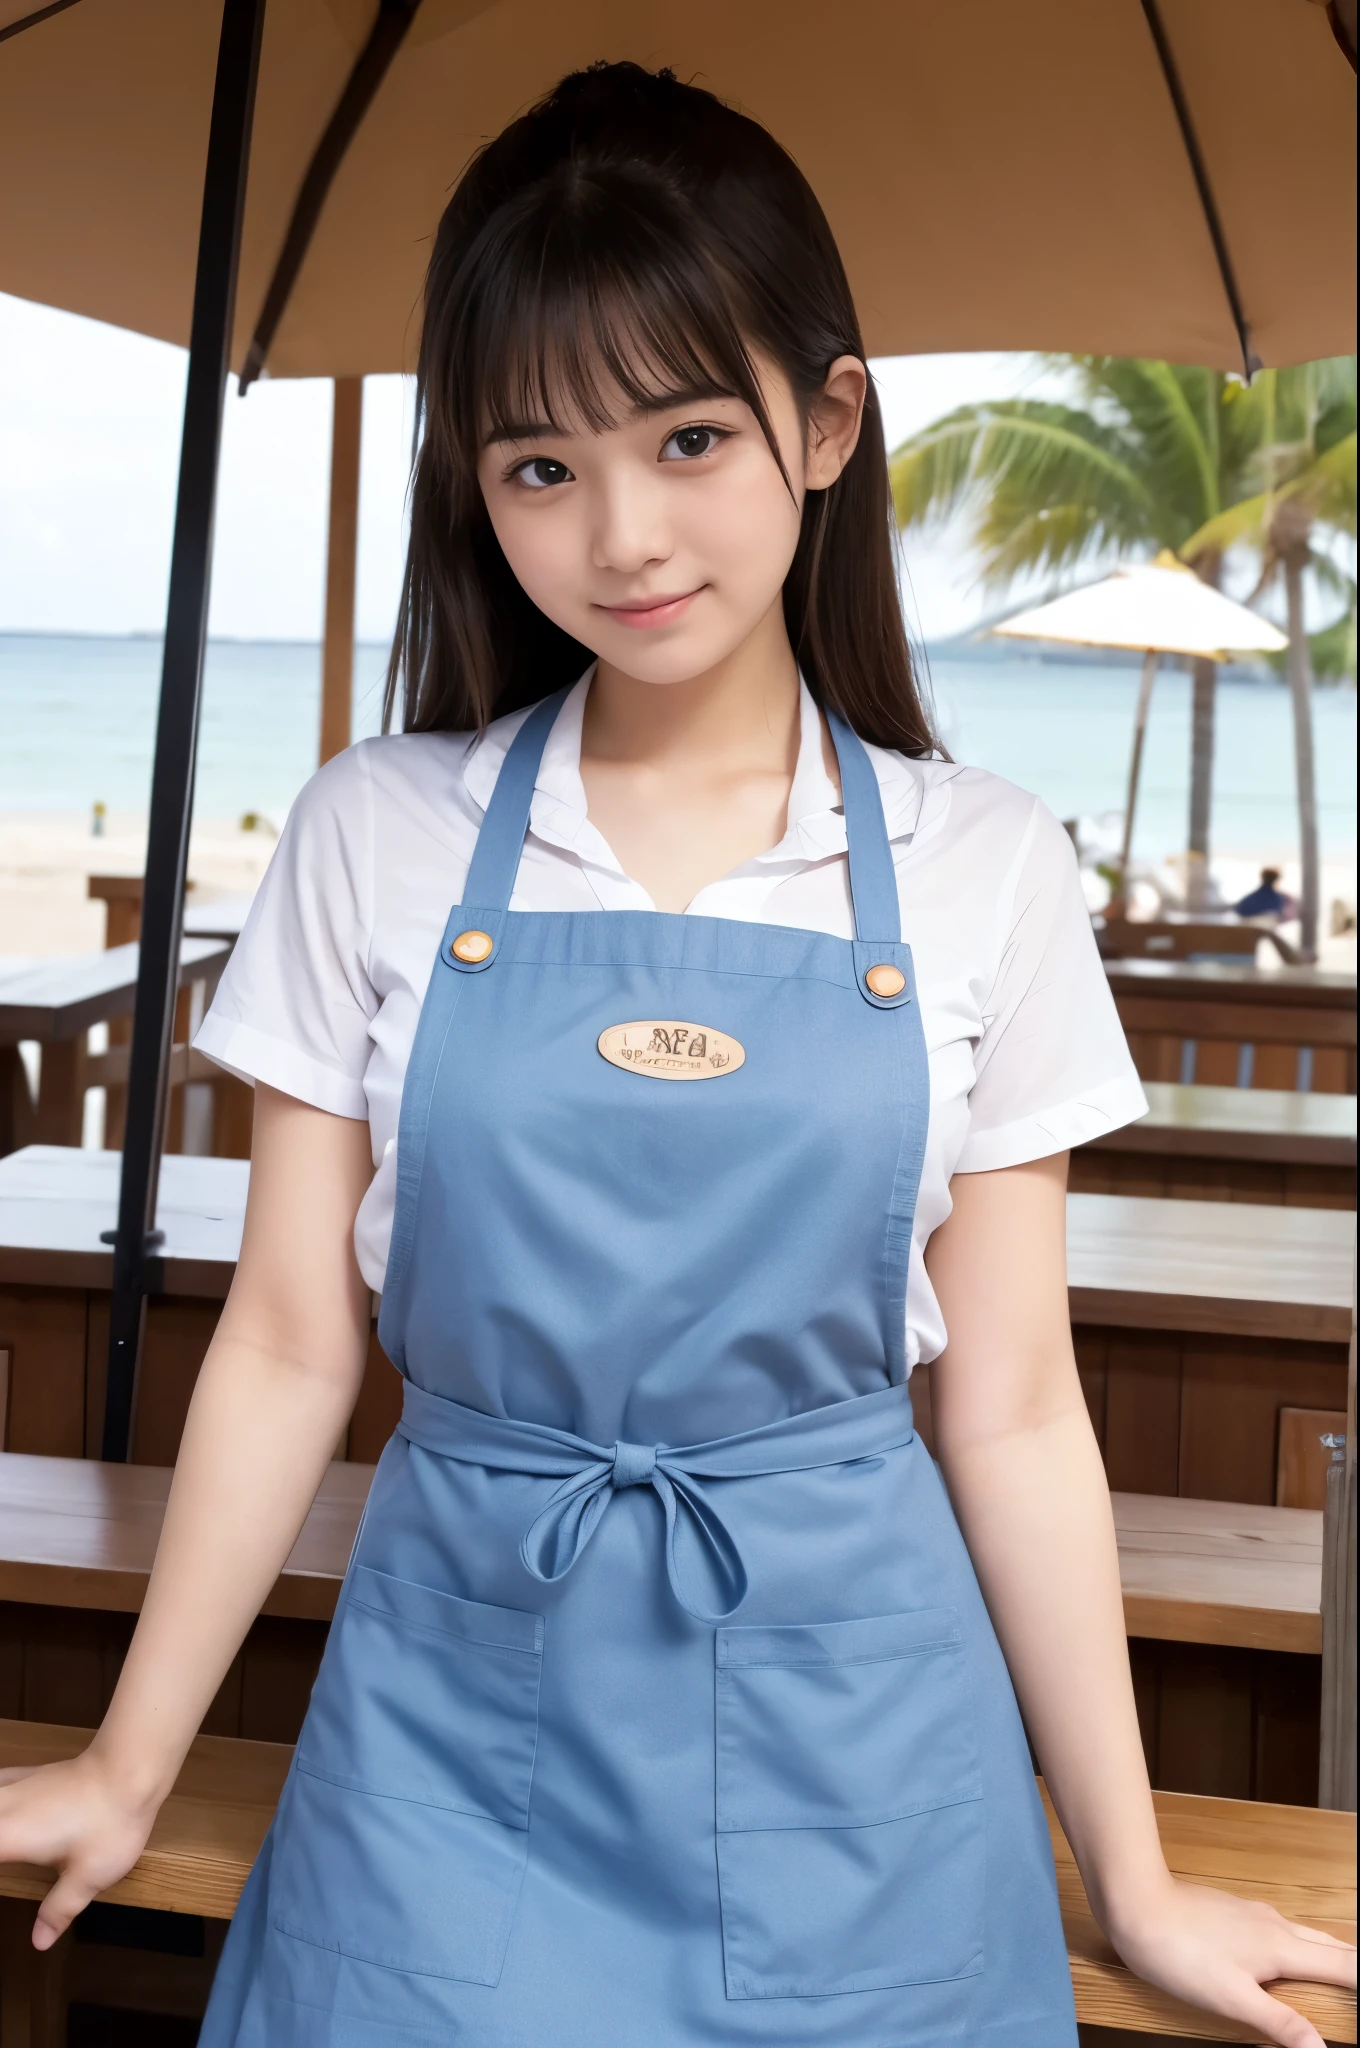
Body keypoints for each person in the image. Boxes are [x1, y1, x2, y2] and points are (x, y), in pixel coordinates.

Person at [0, 63, 1352, 2048]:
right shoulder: (375, 831)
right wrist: (128, 1764)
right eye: (537, 463)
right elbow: (292, 1342)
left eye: (689, 434)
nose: (618, 534)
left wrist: (1126, 1876)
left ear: (822, 424)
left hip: (862, 1747)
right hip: (449, 1730)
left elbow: (1011, 1410)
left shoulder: (978, 862)